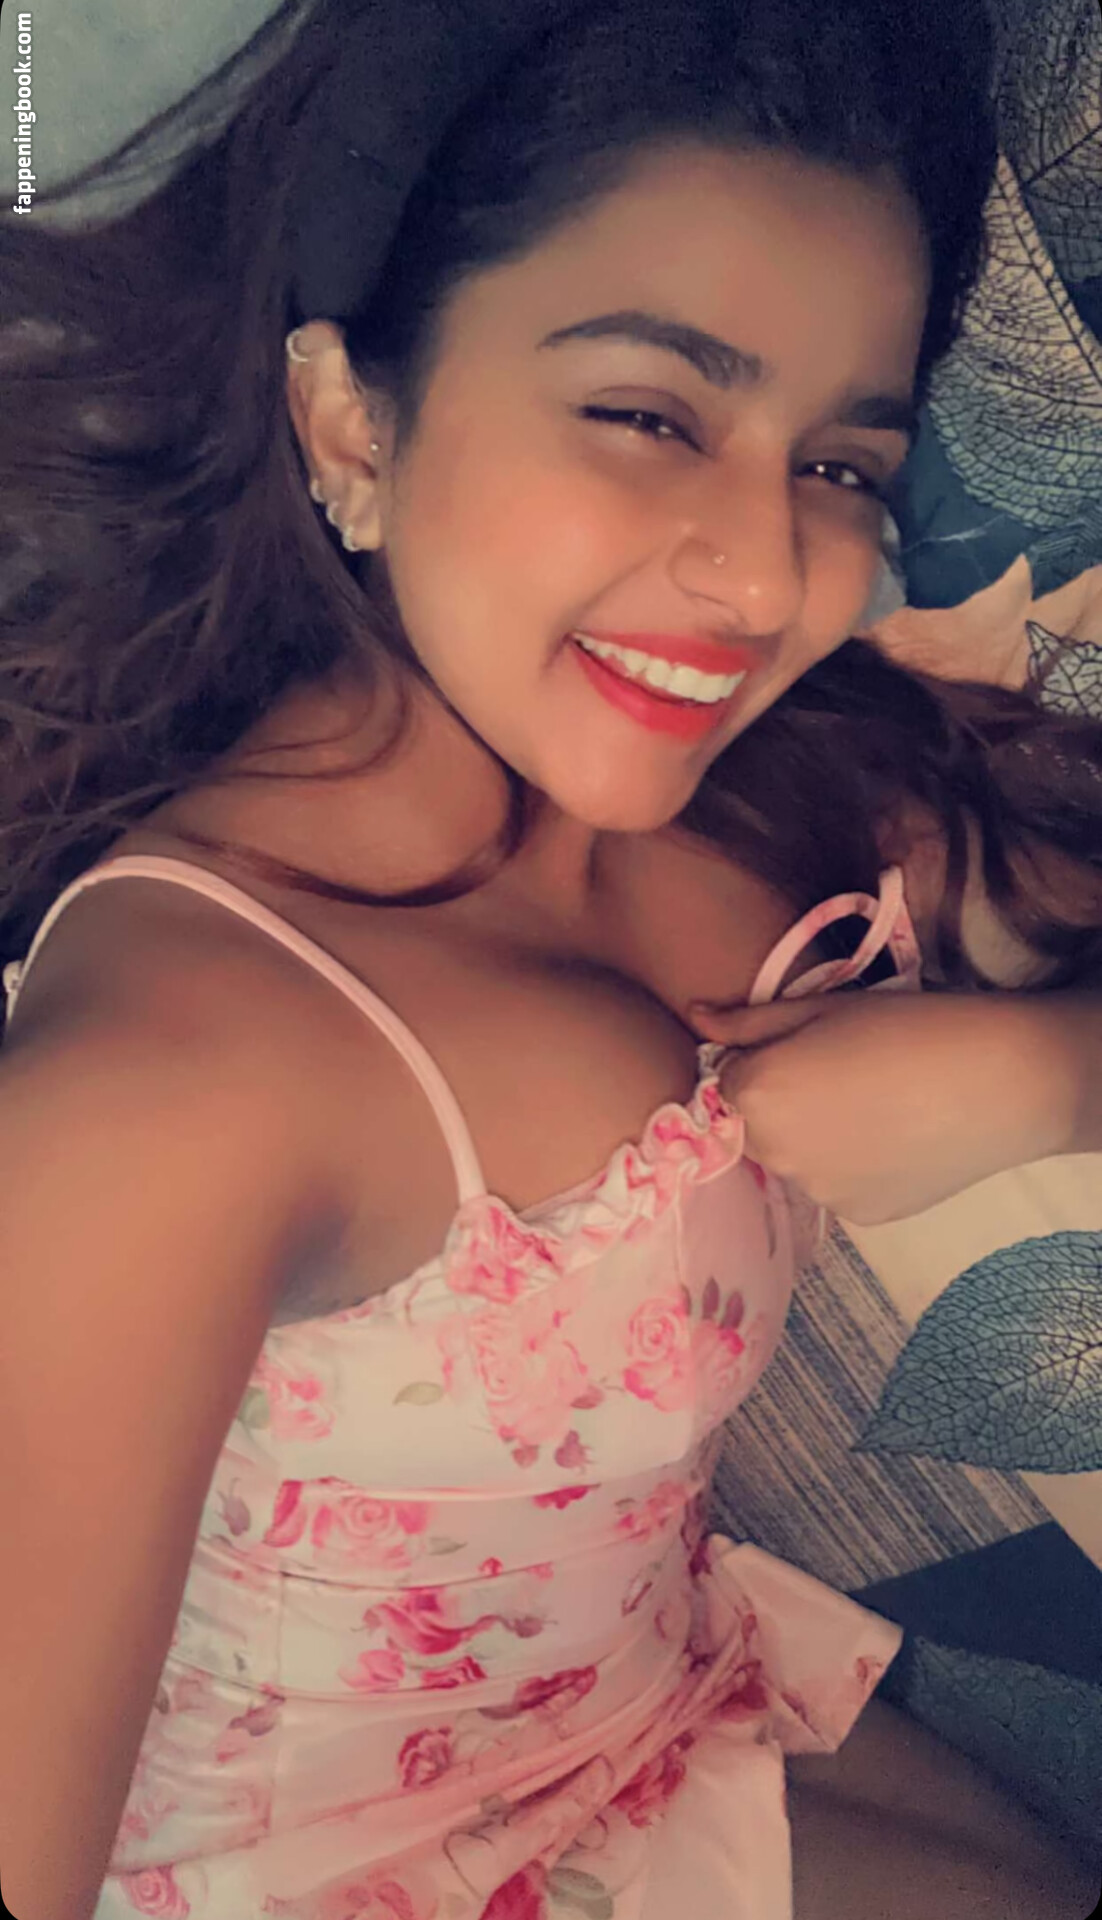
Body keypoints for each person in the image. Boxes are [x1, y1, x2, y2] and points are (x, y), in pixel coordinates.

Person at [0, 1, 1099, 1916]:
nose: (764, 573)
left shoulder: (775, 786)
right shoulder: (178, 1084)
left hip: (657, 1710)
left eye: (839, 465)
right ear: (351, 423)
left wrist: (1042, 1072)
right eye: (649, 415)